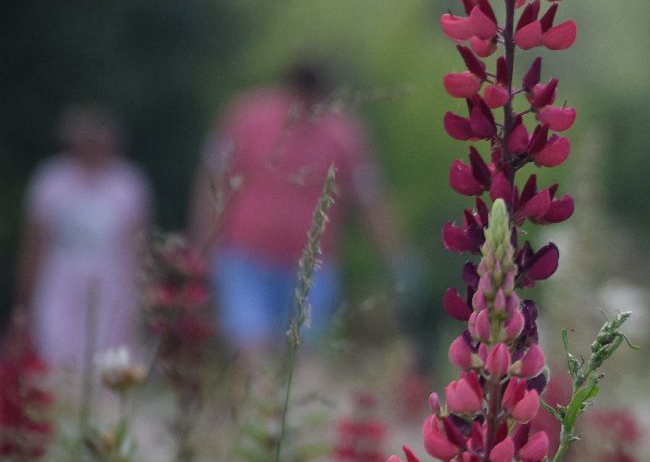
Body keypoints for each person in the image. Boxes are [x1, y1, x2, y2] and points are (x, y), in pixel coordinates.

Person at [191, 60, 409, 356]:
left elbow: (370, 199)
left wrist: (397, 256)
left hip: (313, 266)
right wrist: (204, 241)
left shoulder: (344, 134)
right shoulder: (247, 117)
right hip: (246, 258)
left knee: (302, 354)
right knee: (250, 348)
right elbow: (214, 179)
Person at [13, 106, 152, 371]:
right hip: (60, 276)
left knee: (106, 348)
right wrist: (25, 298)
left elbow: (138, 243)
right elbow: (36, 242)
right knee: (55, 344)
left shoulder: (127, 183)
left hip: (112, 277)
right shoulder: (51, 180)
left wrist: (142, 293)